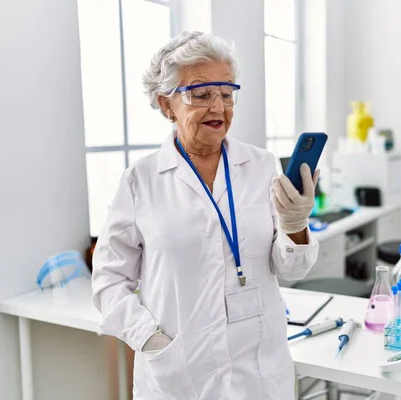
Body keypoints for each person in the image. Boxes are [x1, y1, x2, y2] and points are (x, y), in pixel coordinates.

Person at [91, 31, 320, 400]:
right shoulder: (141, 181)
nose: (218, 108)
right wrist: (149, 338)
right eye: (201, 94)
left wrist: (295, 226)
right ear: (167, 105)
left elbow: (291, 270)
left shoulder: (261, 165)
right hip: (179, 377)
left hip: (259, 376)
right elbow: (108, 281)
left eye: (227, 94)